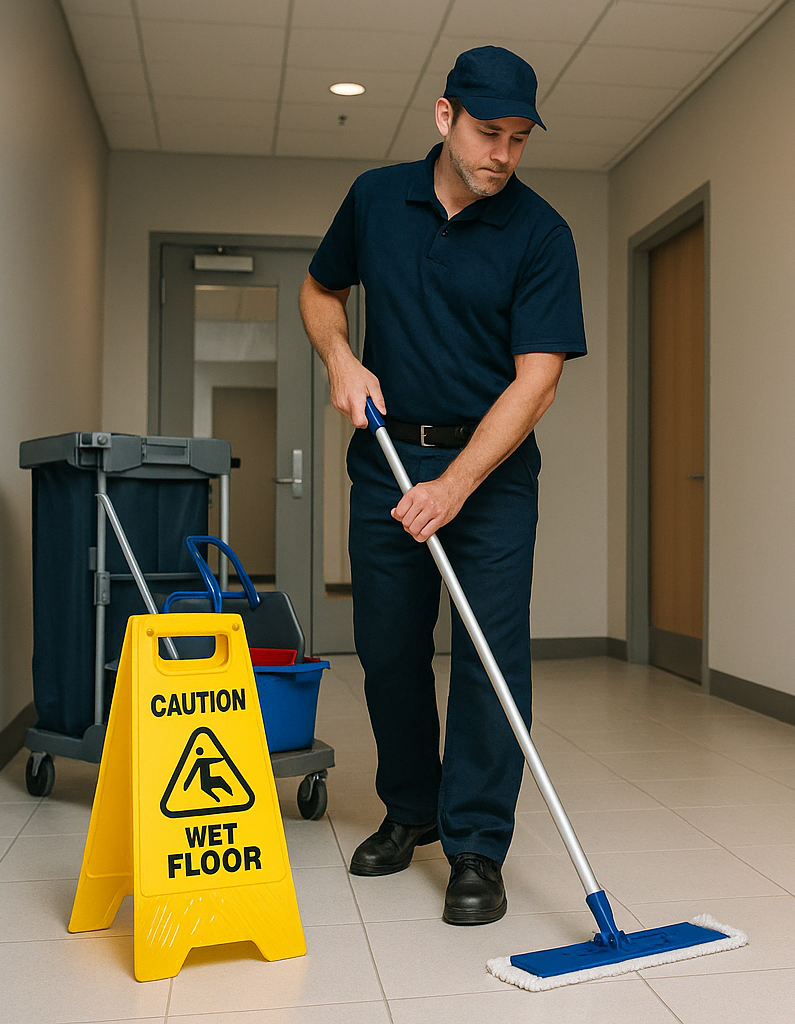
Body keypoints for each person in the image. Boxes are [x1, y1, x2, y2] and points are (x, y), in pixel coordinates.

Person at [298, 46, 585, 925]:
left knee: (489, 659)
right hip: (387, 459)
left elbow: (537, 381)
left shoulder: (541, 233)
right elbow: (320, 292)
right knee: (387, 649)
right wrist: (341, 360)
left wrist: (456, 485)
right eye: (489, 132)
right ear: (444, 116)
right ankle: (412, 809)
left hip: (490, 477)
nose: (503, 154)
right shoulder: (377, 199)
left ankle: (475, 846)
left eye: (519, 138)